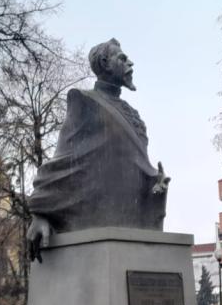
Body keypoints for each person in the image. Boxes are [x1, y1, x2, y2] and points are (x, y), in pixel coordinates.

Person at [27, 39, 169, 258]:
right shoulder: (84, 101)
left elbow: (134, 163)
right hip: (96, 219)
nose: (130, 63)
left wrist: (154, 182)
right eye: (122, 58)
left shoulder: (134, 114)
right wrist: (40, 213)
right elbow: (63, 160)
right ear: (105, 62)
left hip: (130, 221)